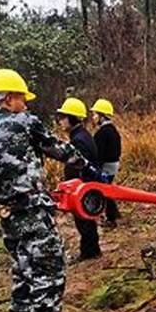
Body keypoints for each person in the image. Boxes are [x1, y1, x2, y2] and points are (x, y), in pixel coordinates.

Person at [0, 68, 86, 312]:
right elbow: (59, 150)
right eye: (22, 98)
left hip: (8, 213)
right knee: (50, 268)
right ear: (10, 97)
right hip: (32, 208)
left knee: (23, 267)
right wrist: (84, 163)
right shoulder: (24, 121)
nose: (26, 103)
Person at [56, 97, 102, 262]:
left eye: (63, 117)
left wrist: (75, 187)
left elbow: (81, 165)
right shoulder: (81, 135)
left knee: (84, 220)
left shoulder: (79, 140)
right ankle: (91, 249)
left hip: (81, 187)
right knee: (86, 219)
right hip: (82, 186)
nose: (60, 121)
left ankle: (90, 251)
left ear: (72, 118)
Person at [91, 98, 122, 228]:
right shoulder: (113, 130)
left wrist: (95, 167)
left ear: (101, 116)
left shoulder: (102, 133)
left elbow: (99, 154)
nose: (93, 117)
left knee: (105, 191)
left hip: (106, 166)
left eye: (95, 114)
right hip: (114, 164)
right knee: (107, 189)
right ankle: (114, 213)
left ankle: (111, 217)